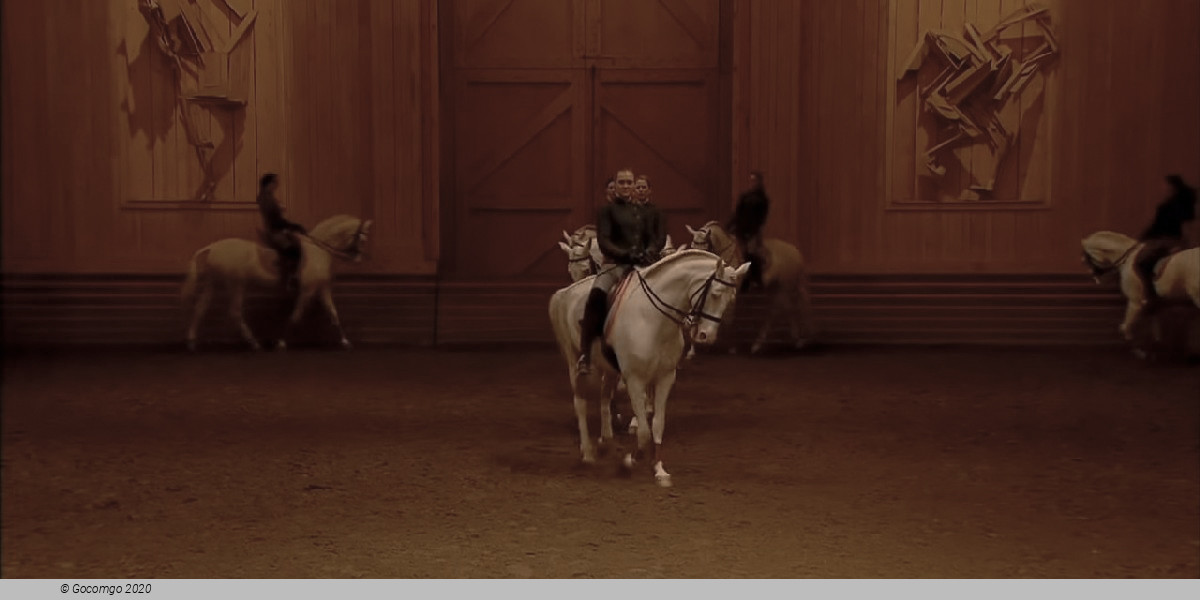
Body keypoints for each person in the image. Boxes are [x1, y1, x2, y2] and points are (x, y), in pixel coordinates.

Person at [576, 168, 666, 376]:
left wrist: (650, 251)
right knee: (596, 296)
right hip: (615, 266)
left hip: (641, 265)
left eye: (629, 183)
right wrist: (626, 254)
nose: (626, 186)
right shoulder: (607, 211)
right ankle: (585, 354)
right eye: (621, 183)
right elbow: (605, 240)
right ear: (615, 186)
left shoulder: (644, 212)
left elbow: (655, 237)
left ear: (635, 185)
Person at [1134, 174, 1196, 305]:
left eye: (1165, 186)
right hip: (1171, 239)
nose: (1163, 189)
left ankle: (1150, 295)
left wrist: (1143, 238)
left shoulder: (1171, 206)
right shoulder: (1183, 204)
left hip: (1166, 241)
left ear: (1172, 187)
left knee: (1141, 263)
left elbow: (1160, 227)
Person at [256, 173, 308, 293]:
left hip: (277, 228)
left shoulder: (268, 197)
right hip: (274, 231)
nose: (276, 185)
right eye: (275, 183)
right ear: (268, 184)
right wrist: (293, 226)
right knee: (295, 251)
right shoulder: (267, 199)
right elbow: (276, 220)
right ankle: (290, 278)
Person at [728, 171, 770, 292]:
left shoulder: (762, 199)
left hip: (753, 230)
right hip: (741, 229)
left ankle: (754, 279)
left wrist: (754, 230)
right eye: (751, 181)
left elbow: (762, 217)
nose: (752, 183)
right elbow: (737, 213)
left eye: (754, 181)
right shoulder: (745, 197)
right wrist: (730, 225)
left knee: (750, 253)